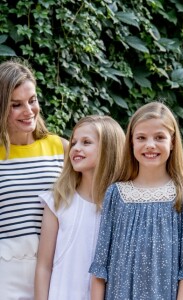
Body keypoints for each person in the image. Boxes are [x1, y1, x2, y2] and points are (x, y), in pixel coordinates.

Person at [89, 101, 183, 300]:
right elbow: (100, 267)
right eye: (141, 137)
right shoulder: (116, 195)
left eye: (159, 137)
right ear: (131, 142)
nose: (150, 145)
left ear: (172, 142)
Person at [34, 115, 125, 300]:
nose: (75, 148)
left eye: (86, 142)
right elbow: (44, 266)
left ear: (109, 149)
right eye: (74, 142)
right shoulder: (57, 201)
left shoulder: (123, 206)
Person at [0, 59, 68, 300]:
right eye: (16, 105)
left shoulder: (61, 148)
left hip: (57, 269)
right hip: (6, 273)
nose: (29, 111)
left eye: (32, 100)